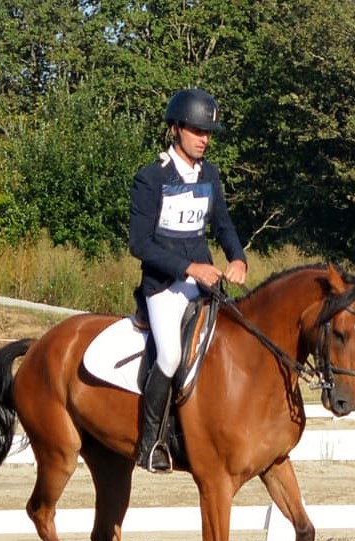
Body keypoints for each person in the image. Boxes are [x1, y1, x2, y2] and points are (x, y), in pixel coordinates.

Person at [129, 87, 248, 473]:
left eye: (208, 133)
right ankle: (151, 442)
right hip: (164, 286)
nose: (204, 139)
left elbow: (223, 225)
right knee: (171, 355)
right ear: (175, 129)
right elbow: (140, 244)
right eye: (197, 131)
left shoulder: (210, 174)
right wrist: (188, 269)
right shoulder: (150, 179)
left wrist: (238, 257)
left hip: (204, 283)